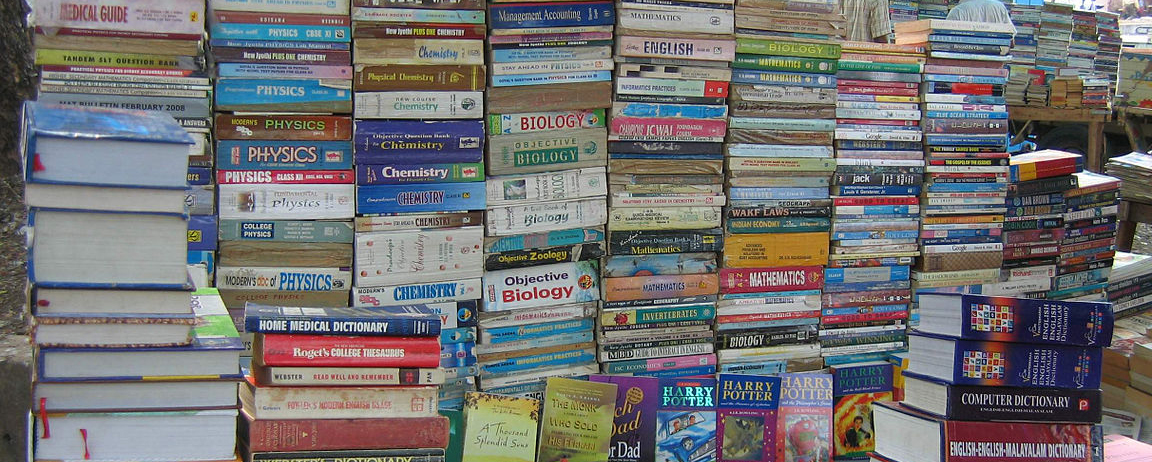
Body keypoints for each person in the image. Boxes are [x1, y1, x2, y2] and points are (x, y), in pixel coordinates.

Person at [946, 0, 1018, 35]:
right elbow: (1011, 41)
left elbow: (947, 41)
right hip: (995, 57)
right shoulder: (999, 7)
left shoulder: (957, 11)